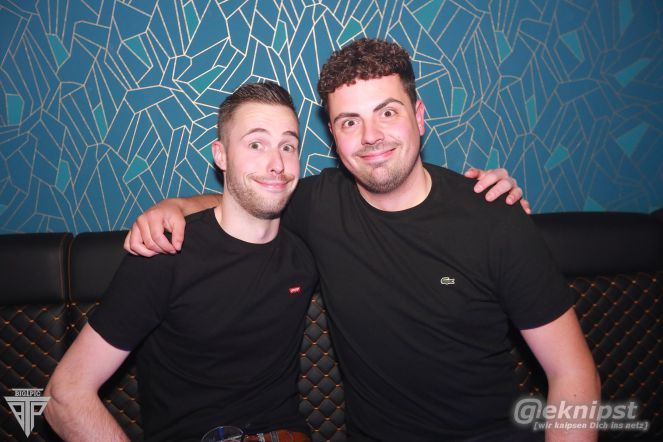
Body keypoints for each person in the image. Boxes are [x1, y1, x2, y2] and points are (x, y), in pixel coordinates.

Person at [126, 39, 600, 441]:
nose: (371, 136)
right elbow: (252, 195)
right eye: (350, 121)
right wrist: (177, 206)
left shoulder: (494, 218)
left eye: (387, 112)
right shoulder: (318, 205)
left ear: (419, 116)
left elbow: (572, 373)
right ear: (333, 136)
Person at [44, 82, 318, 442]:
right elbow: (63, 395)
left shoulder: (307, 245)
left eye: (288, 146)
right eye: (256, 144)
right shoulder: (165, 252)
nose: (277, 164)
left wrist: (179, 203)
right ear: (221, 155)